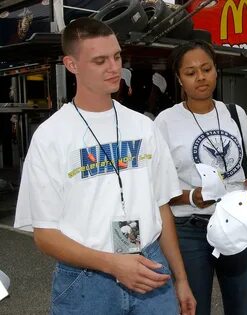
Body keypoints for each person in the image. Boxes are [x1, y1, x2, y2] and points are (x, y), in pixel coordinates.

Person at [13, 17, 195, 314]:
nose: (114, 68)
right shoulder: (51, 137)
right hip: (87, 281)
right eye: (100, 61)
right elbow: (45, 235)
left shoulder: (143, 127)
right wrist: (112, 264)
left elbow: (162, 207)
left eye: (117, 56)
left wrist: (181, 278)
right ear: (71, 65)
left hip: (150, 266)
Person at [154, 40, 247, 315]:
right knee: (193, 307)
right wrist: (192, 196)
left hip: (238, 223)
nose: (200, 77)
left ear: (216, 71)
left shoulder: (234, 113)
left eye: (206, 69)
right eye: (191, 72)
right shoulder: (165, 122)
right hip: (189, 229)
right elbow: (158, 189)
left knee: (242, 307)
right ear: (179, 79)